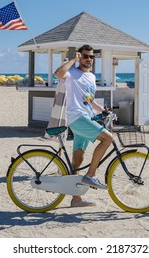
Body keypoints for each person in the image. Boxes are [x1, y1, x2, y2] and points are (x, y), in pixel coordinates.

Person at [54, 44, 113, 207]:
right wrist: (73, 59)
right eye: (85, 56)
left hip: (87, 116)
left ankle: (76, 199)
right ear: (80, 57)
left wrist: (103, 111)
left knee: (77, 161)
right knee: (108, 139)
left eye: (91, 57)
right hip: (77, 117)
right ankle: (91, 175)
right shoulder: (72, 73)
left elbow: (88, 99)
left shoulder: (92, 77)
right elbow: (57, 73)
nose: (89, 59)